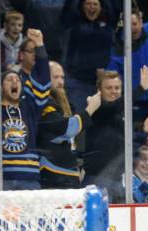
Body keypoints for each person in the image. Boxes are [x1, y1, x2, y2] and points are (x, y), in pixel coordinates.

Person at [0, 28, 51, 191]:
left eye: (17, 79)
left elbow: (43, 82)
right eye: (9, 79)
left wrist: (40, 46)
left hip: (28, 179)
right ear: (0, 87)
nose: (15, 81)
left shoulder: (30, 107)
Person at [82, 69, 148, 202]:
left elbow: (129, 145)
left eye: (117, 88)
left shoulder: (120, 114)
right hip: (97, 179)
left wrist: (144, 131)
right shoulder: (96, 106)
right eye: (109, 88)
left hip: (117, 180)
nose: (114, 91)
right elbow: (114, 107)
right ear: (99, 91)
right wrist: (141, 89)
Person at [38, 61, 102, 189]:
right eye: (55, 77)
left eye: (62, 77)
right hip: (53, 176)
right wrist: (90, 109)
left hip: (69, 176)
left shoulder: (65, 107)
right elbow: (68, 129)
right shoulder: (43, 105)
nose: (61, 82)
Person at [107, 0, 148, 121]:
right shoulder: (119, 44)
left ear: (141, 21)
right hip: (129, 102)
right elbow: (112, 72)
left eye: (134, 24)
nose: (131, 28)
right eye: (128, 24)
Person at [61, 0, 117, 112]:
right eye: (88, 3)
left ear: (101, 7)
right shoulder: (74, 22)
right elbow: (66, 11)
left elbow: (116, 7)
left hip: (104, 82)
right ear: (82, 6)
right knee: (80, 119)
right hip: (78, 81)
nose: (91, 7)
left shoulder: (109, 22)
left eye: (95, 4)